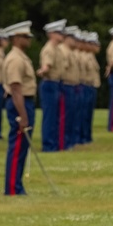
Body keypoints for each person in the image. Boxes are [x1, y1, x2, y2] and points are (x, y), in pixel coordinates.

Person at [2, 21, 36, 195]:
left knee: (22, 147)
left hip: (25, 102)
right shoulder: (15, 59)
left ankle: (17, 185)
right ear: (15, 38)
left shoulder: (20, 56)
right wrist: (23, 115)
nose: (28, 39)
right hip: (19, 104)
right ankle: (13, 188)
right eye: (25, 36)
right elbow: (15, 89)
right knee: (17, 147)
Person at [37, 20, 66, 150]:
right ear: (51, 34)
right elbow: (47, 65)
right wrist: (42, 70)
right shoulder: (49, 49)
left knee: (55, 115)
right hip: (50, 84)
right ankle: (48, 145)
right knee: (50, 116)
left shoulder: (57, 49)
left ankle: (54, 143)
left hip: (56, 83)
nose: (62, 35)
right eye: (59, 32)